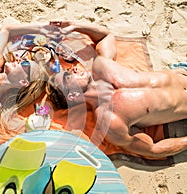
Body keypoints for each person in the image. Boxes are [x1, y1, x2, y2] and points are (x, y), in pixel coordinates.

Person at [47, 21, 187, 159]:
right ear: (72, 96)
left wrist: (75, 25)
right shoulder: (111, 122)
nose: (74, 68)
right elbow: (152, 149)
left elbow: (105, 36)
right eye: (68, 77)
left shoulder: (102, 66)